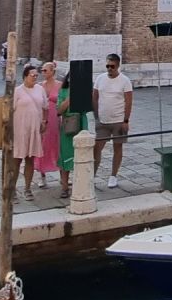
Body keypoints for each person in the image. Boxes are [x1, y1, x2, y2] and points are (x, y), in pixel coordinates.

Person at [92, 53, 133, 189]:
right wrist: (96, 116)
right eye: (107, 66)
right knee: (97, 148)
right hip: (102, 120)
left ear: (118, 65)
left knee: (118, 147)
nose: (109, 68)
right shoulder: (100, 78)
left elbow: (128, 101)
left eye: (112, 66)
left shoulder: (125, 81)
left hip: (119, 120)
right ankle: (92, 174)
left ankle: (113, 176)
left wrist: (126, 120)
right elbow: (95, 97)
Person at [12, 64, 47, 199]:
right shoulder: (18, 91)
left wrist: (44, 121)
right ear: (25, 76)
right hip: (20, 129)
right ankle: (12, 189)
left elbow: (45, 107)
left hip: (34, 129)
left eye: (36, 75)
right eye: (32, 75)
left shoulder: (40, 89)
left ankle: (27, 188)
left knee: (30, 159)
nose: (35, 77)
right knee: (16, 160)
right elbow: (11, 110)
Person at [56, 71, 85, 200]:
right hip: (67, 126)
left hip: (81, 125)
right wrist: (69, 99)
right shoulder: (63, 91)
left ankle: (81, 185)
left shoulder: (83, 91)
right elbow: (58, 111)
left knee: (81, 157)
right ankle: (64, 187)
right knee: (66, 157)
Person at [35, 62, 62, 188]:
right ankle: (42, 175)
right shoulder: (39, 86)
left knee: (58, 145)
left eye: (45, 70)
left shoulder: (60, 85)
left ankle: (64, 175)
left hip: (56, 118)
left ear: (52, 71)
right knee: (43, 145)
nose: (43, 73)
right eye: (42, 70)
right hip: (43, 118)